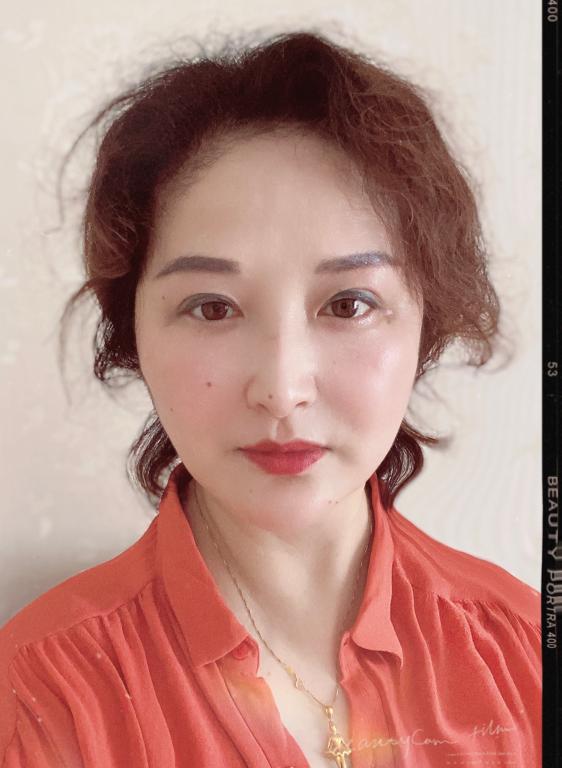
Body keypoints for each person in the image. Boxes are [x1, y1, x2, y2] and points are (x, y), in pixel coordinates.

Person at [0, 29, 540, 768]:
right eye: (212, 307)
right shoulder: (39, 698)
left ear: (427, 326)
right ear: (134, 336)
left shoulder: (523, 657)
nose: (283, 390)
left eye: (349, 304)